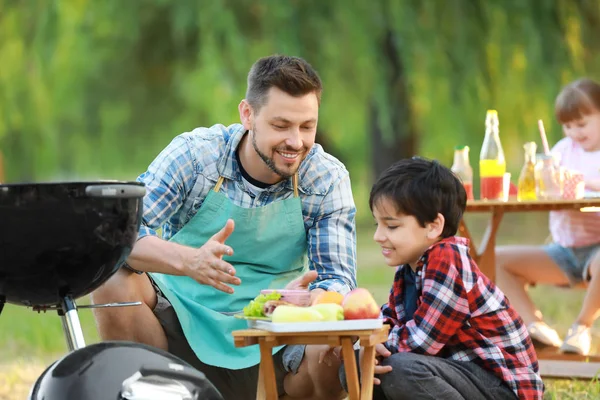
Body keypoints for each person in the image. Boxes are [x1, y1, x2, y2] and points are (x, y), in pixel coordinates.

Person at [91, 54, 357, 400]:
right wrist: (188, 261)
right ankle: (152, 392)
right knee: (112, 282)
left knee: (333, 340)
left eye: (307, 126)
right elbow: (118, 236)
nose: (296, 141)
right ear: (248, 115)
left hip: (275, 334)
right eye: (281, 126)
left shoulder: (325, 177)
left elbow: (337, 279)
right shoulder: (195, 156)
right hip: (182, 325)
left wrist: (303, 301)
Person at [336, 157, 543, 400]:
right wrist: (366, 349)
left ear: (434, 226)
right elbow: (389, 320)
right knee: (353, 370)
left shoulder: (448, 259)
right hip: (457, 376)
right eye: (377, 224)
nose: (378, 236)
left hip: (502, 385)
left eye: (391, 226)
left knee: (400, 369)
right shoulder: (408, 269)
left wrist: (374, 346)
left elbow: (423, 341)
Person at [496, 77, 600, 356]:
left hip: (596, 254)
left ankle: (581, 327)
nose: (574, 132)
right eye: (567, 126)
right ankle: (536, 327)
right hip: (564, 252)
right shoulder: (562, 151)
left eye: (581, 124)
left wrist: (583, 183)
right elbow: (544, 191)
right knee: (494, 260)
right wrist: (544, 181)